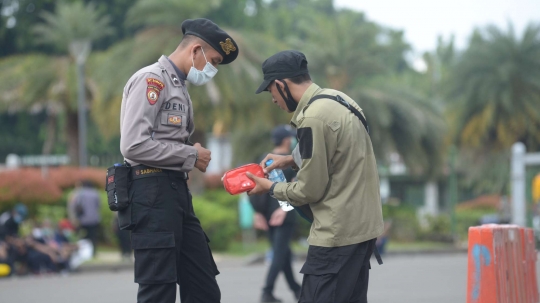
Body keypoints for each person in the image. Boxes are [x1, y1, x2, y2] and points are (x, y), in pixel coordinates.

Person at [247, 50, 384, 303]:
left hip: (336, 236)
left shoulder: (311, 118)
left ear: (281, 85)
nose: (274, 100)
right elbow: (338, 150)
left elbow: (308, 191)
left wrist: (269, 187)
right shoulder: (338, 100)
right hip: (361, 231)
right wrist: (289, 159)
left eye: (271, 92)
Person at [119, 18, 239, 303]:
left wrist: (189, 152)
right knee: (158, 292)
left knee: (204, 288)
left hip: (176, 194)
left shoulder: (180, 87)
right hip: (151, 193)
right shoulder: (152, 80)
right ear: (195, 50)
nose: (213, 69)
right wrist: (191, 154)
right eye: (213, 60)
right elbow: (133, 144)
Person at [249, 125, 302, 303]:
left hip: (270, 215)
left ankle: (297, 290)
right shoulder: (290, 162)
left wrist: (257, 213)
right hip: (284, 215)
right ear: (287, 140)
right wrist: (284, 209)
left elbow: (252, 186)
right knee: (280, 254)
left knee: (283, 254)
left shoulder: (263, 160)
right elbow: (297, 187)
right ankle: (267, 292)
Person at [71, 180, 101, 257]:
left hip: (83, 219)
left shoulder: (81, 193)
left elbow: (76, 205)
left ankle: (83, 252)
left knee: (82, 236)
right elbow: (98, 205)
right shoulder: (95, 193)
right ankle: (93, 252)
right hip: (94, 219)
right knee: (93, 237)